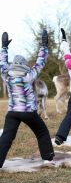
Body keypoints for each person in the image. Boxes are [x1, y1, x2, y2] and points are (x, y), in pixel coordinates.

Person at [0, 30, 54, 168]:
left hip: (12, 112)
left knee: (6, 137)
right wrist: (44, 45)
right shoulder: (29, 74)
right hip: (28, 111)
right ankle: (47, 158)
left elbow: (2, 62)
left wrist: (4, 46)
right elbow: (40, 61)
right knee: (42, 132)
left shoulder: (6, 74)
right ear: (24, 64)